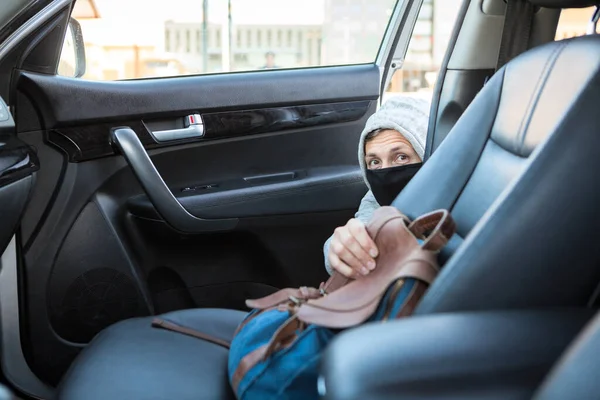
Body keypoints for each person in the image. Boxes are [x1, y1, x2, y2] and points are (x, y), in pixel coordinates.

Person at [323, 95, 430, 278]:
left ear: (427, 152)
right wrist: (338, 246)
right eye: (374, 162)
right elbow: (363, 224)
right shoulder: (374, 198)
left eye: (401, 157)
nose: (386, 172)